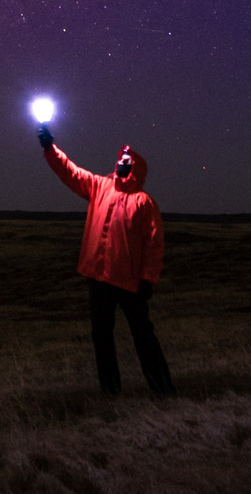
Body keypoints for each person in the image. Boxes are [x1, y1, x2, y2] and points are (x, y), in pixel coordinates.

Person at [38, 120, 174, 397]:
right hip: (99, 278)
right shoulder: (100, 186)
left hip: (130, 282)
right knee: (101, 337)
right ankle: (111, 393)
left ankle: (163, 391)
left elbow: (154, 244)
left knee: (143, 336)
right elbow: (70, 172)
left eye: (127, 159)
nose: (122, 161)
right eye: (121, 158)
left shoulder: (144, 202)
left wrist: (148, 278)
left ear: (135, 166)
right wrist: (50, 148)